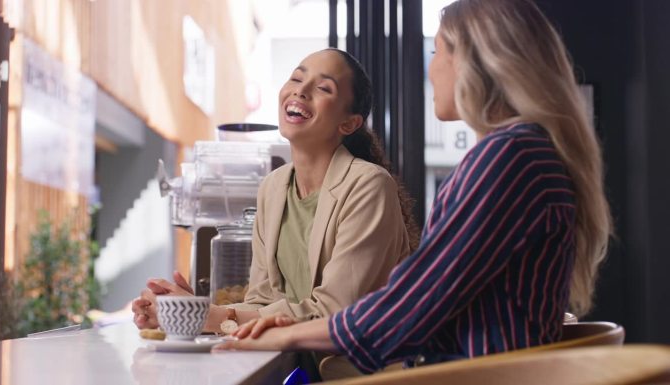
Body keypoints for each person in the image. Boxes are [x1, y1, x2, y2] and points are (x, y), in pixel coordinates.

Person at [217, 0, 613, 375]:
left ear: (476, 63)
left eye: (438, 53)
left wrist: (286, 333)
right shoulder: (525, 154)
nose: (432, 69)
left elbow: (412, 305)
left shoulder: (509, 157)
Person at [132, 49, 419, 336]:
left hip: (354, 375)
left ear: (349, 123)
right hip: (290, 365)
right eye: (296, 78)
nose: (301, 91)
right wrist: (188, 312)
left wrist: (212, 316)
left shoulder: (368, 186)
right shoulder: (273, 187)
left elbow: (334, 313)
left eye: (323, 88)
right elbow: (262, 301)